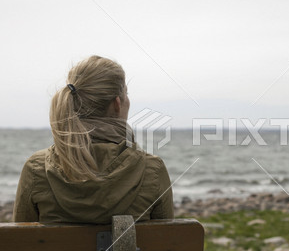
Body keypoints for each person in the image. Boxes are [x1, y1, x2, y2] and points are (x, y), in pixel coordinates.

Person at [13, 55, 174, 224]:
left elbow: (20, 243)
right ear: (117, 104)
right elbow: (168, 246)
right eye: (126, 94)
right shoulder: (152, 170)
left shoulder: (36, 168)